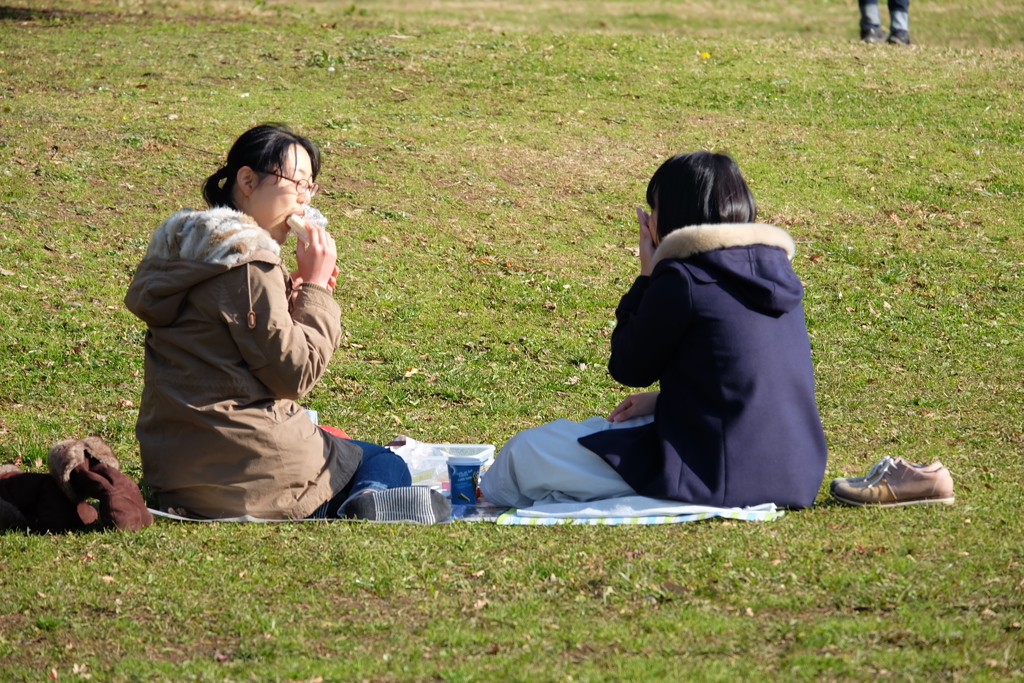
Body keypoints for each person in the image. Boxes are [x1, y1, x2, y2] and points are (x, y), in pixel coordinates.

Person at [125, 123, 449, 523]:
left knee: (339, 444)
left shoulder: (190, 254)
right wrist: (315, 288)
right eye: (295, 182)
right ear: (247, 179)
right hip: (248, 474)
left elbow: (222, 337)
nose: (303, 197)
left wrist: (287, 289)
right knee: (383, 462)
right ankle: (367, 503)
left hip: (175, 472)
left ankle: (364, 500)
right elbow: (295, 374)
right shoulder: (249, 264)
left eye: (310, 186)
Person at [480, 152, 828, 510]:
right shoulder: (778, 277)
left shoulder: (684, 278)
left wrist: (648, 275)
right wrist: (665, 399)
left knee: (526, 453)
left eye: (654, 208)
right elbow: (749, 384)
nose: (648, 221)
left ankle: (481, 500)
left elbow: (628, 366)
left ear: (675, 213)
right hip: (796, 473)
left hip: (719, 474)